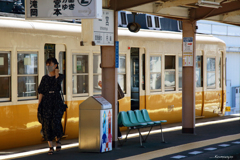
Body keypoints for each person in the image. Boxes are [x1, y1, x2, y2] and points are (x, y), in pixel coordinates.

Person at [38, 58, 64, 155]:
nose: (48, 67)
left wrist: (56, 75)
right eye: (47, 65)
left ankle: (58, 140)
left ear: (55, 65)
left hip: (57, 103)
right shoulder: (44, 78)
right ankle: (50, 147)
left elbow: (57, 86)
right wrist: (39, 105)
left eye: (50, 65)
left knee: (55, 122)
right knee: (46, 124)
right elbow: (41, 92)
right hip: (46, 103)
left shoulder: (60, 76)